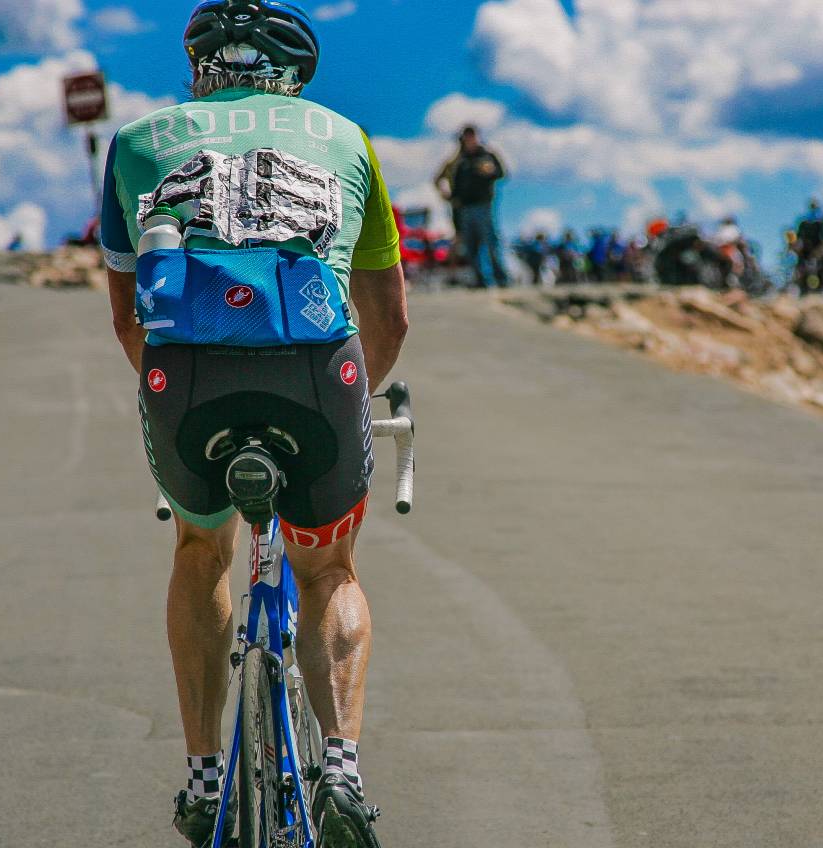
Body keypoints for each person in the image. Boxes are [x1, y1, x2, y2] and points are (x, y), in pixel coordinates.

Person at [100, 3, 407, 847]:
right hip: (318, 374)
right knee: (328, 569)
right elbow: (389, 315)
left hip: (185, 381)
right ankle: (339, 764)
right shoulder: (346, 137)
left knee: (201, 550)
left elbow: (130, 322)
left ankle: (205, 777)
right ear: (294, 74)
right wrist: (352, 398)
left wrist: (177, 397)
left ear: (202, 67)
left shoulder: (133, 141)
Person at [444, 126, 508, 288]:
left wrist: (490, 172)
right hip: (465, 208)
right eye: (466, 137)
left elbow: (501, 173)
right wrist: (452, 199)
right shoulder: (461, 161)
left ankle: (501, 278)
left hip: (483, 205)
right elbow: (454, 185)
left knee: (490, 241)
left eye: (472, 136)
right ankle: (481, 280)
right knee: (470, 246)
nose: (469, 140)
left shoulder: (487, 155)